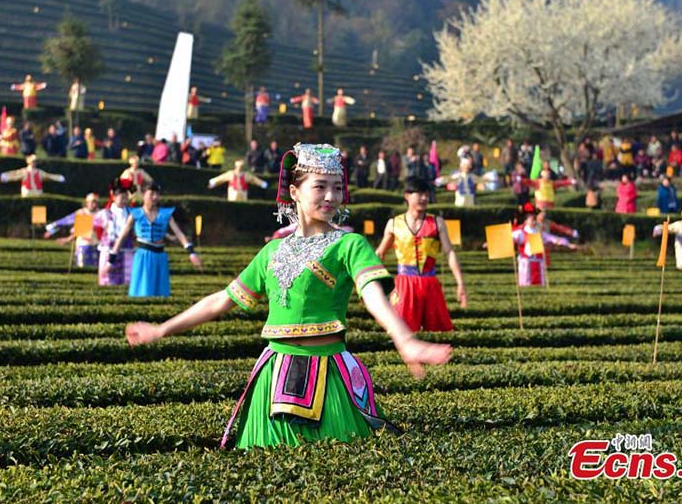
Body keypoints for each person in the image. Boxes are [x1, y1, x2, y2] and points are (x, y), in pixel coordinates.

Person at [124, 143, 452, 449]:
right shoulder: (272, 251)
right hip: (272, 377)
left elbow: (371, 295)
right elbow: (221, 300)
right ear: (294, 192)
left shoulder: (349, 245)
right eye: (320, 186)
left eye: (337, 187)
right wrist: (162, 329)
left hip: (330, 376)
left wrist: (403, 339)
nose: (331, 196)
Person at [376, 176, 467, 332]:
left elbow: (449, 252)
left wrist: (460, 283)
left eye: (426, 194)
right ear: (407, 196)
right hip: (404, 284)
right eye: (420, 194)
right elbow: (379, 254)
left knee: (440, 333)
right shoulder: (394, 224)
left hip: (430, 283)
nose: (424, 198)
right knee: (401, 332)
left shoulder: (437, 222)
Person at [109, 183, 202, 297]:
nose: (155, 197)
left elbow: (178, 233)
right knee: (142, 290)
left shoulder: (166, 214)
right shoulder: (135, 214)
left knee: (160, 291)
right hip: (143, 256)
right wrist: (111, 259)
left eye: (157, 194)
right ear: (143, 195)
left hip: (160, 256)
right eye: (151, 194)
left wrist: (191, 252)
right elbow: (123, 235)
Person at [511, 202, 577, 287]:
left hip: (538, 262)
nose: (534, 221)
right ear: (526, 221)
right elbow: (509, 238)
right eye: (532, 219)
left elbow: (553, 238)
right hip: (526, 263)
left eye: (535, 219)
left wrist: (568, 244)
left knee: (539, 284)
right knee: (526, 284)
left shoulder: (540, 233)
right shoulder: (520, 233)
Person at [43, 193, 101, 268]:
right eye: (89, 202)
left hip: (97, 246)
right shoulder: (81, 213)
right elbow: (65, 222)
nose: (92, 204)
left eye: (94, 202)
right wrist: (51, 231)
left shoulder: (101, 214)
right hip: (83, 245)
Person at [95, 182, 134, 286]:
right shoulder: (105, 213)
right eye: (122, 198)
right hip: (108, 249)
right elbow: (93, 225)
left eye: (126, 198)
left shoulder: (131, 213)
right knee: (106, 278)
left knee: (127, 278)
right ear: (114, 197)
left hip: (126, 249)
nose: (124, 200)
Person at [0, 154, 66, 197]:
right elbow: (15, 175)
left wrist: (59, 178)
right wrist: (6, 177)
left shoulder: (39, 172)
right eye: (33, 162)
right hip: (27, 194)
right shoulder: (24, 171)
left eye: (35, 162)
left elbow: (49, 176)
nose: (34, 163)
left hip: (38, 194)